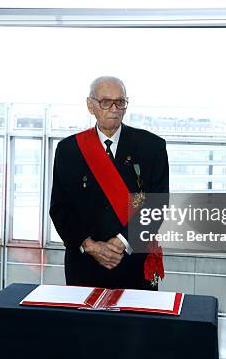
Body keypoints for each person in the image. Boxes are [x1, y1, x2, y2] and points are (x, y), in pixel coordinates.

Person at [49, 76, 169, 290]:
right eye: (106, 102)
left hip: (133, 265)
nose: (114, 108)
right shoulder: (69, 150)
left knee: (137, 324)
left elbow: (157, 205)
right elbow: (60, 208)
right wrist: (90, 246)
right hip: (85, 265)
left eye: (120, 102)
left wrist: (121, 243)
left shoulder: (152, 147)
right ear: (90, 105)